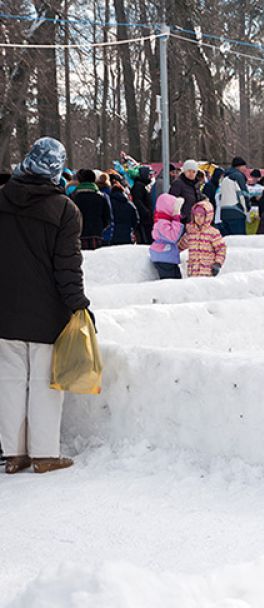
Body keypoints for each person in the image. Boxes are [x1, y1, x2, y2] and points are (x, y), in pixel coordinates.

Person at [0, 137, 90, 474]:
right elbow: (67, 267)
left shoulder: (2, 199)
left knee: (7, 382)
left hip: (4, 312)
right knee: (44, 383)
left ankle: (13, 453)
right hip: (46, 314)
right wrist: (79, 305)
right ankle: (44, 453)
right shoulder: (64, 209)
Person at [179, 200, 226, 278]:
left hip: (207, 271)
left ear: (208, 217)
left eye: (201, 216)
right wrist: (173, 252)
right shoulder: (191, 232)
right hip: (193, 271)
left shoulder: (213, 233)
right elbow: (182, 245)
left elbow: (221, 249)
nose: (198, 218)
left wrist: (218, 263)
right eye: (196, 215)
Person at [70, 168, 110, 251]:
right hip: (97, 233)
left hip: (79, 234)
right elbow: (107, 217)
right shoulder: (101, 197)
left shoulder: (73, 197)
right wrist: (101, 227)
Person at [149, 193, 185, 279]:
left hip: (165, 256)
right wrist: (176, 220)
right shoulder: (162, 223)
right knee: (171, 282)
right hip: (164, 257)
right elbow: (173, 237)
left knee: (177, 278)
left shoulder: (161, 221)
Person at [216, 157, 251, 236]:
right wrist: (247, 209)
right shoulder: (238, 176)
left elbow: (219, 196)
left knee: (228, 241)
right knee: (239, 241)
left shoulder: (224, 178)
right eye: (244, 166)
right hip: (236, 212)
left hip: (224, 212)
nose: (245, 169)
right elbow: (243, 194)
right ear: (239, 166)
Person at [170, 159, 206, 224]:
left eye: (194, 172)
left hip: (194, 221)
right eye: (189, 171)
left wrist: (204, 199)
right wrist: (180, 217)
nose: (191, 174)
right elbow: (172, 201)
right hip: (181, 222)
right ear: (184, 171)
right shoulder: (178, 183)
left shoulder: (195, 184)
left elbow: (197, 197)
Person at [108, 173, 139, 245]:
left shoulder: (109, 203)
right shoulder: (130, 204)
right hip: (127, 234)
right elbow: (136, 219)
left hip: (112, 235)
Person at [131, 165, 153, 244]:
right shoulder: (139, 186)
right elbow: (138, 201)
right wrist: (146, 212)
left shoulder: (143, 186)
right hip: (143, 219)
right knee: (145, 238)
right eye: (149, 175)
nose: (150, 177)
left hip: (146, 217)